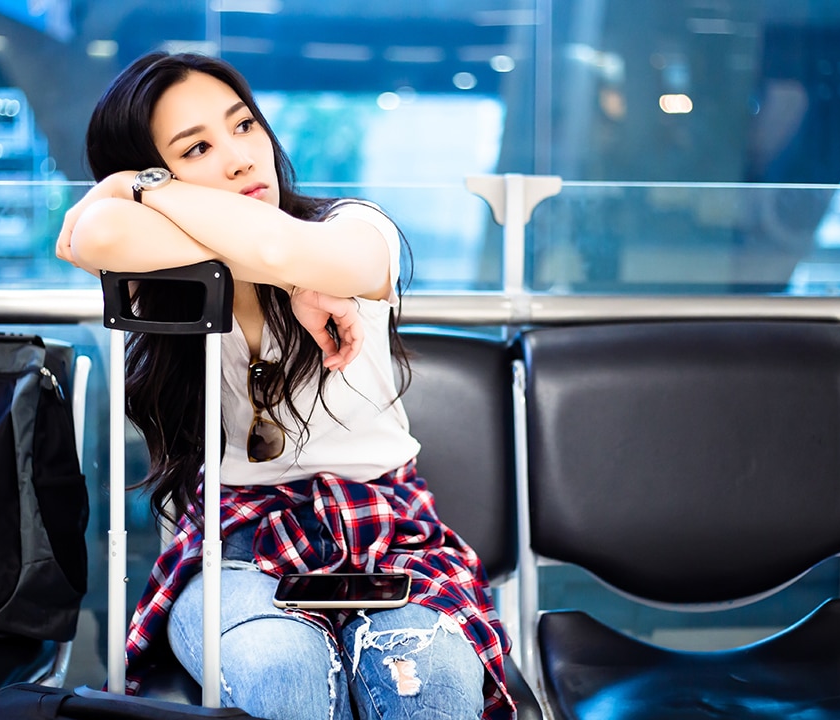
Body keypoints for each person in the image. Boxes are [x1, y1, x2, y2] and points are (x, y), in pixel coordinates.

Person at [55, 51, 513, 720]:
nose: (241, 159)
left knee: (427, 688)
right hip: (234, 541)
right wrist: (155, 192)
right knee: (283, 674)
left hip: (389, 532)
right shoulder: (177, 270)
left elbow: (289, 251)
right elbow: (85, 233)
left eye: (244, 126)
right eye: (198, 148)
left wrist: (287, 269)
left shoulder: (355, 228)